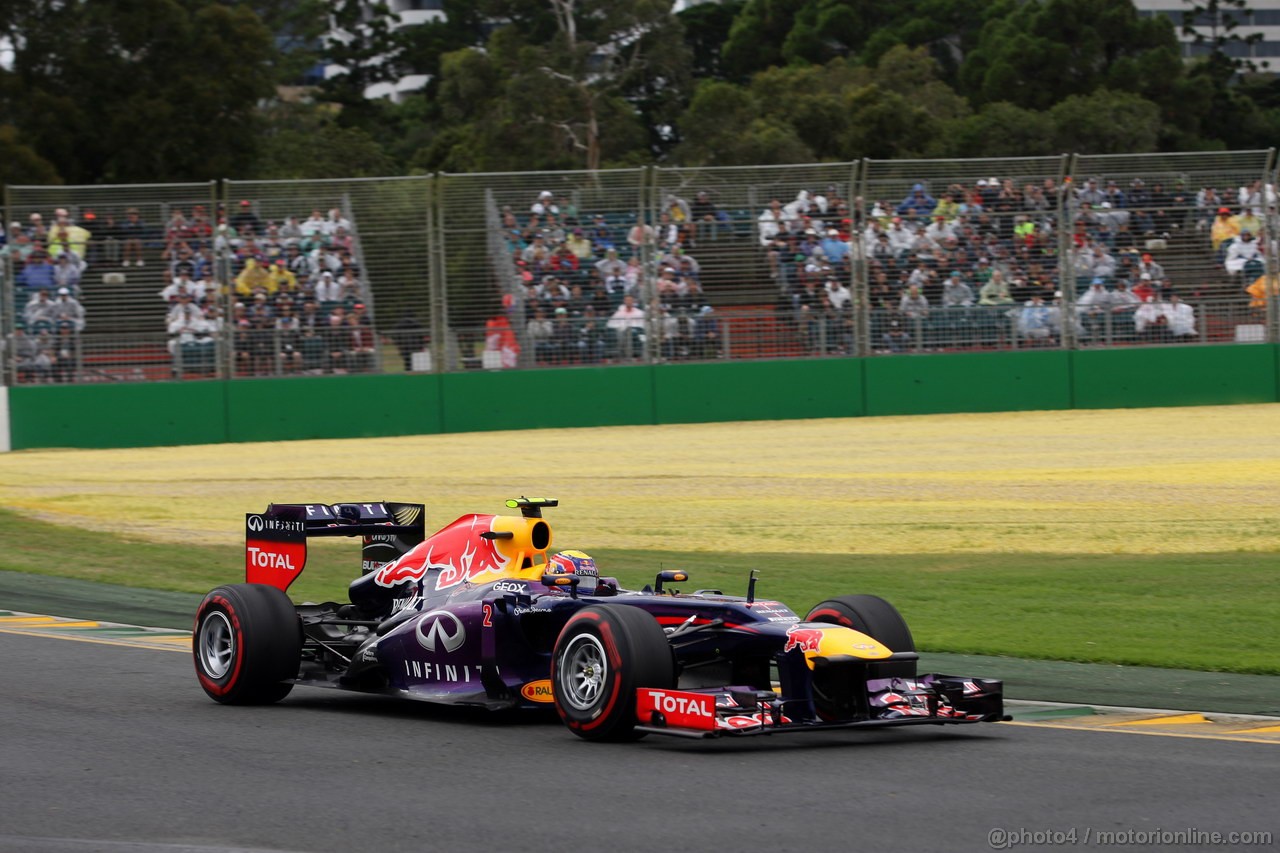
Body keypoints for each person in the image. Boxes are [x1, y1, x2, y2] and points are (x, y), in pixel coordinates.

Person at [607, 294, 645, 359]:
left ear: (633, 301)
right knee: (621, 333)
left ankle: (632, 355)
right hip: (621, 333)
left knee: (631, 332)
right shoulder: (619, 313)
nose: (628, 301)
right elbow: (610, 324)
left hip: (635, 333)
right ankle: (622, 356)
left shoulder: (640, 313)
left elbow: (643, 325)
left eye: (630, 300)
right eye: (627, 300)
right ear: (624, 301)